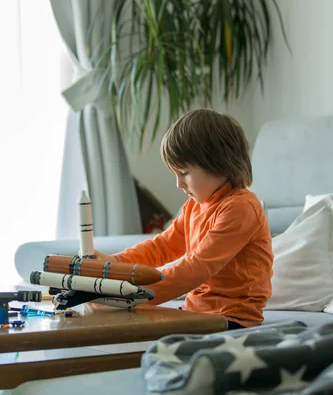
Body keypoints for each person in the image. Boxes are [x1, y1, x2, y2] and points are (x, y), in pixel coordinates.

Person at [94, 109, 273, 329]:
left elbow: (195, 269)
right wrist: (114, 264)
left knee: (125, 325)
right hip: (198, 311)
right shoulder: (194, 206)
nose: (179, 184)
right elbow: (161, 246)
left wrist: (132, 296)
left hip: (234, 317)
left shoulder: (241, 208)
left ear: (219, 163)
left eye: (184, 173)